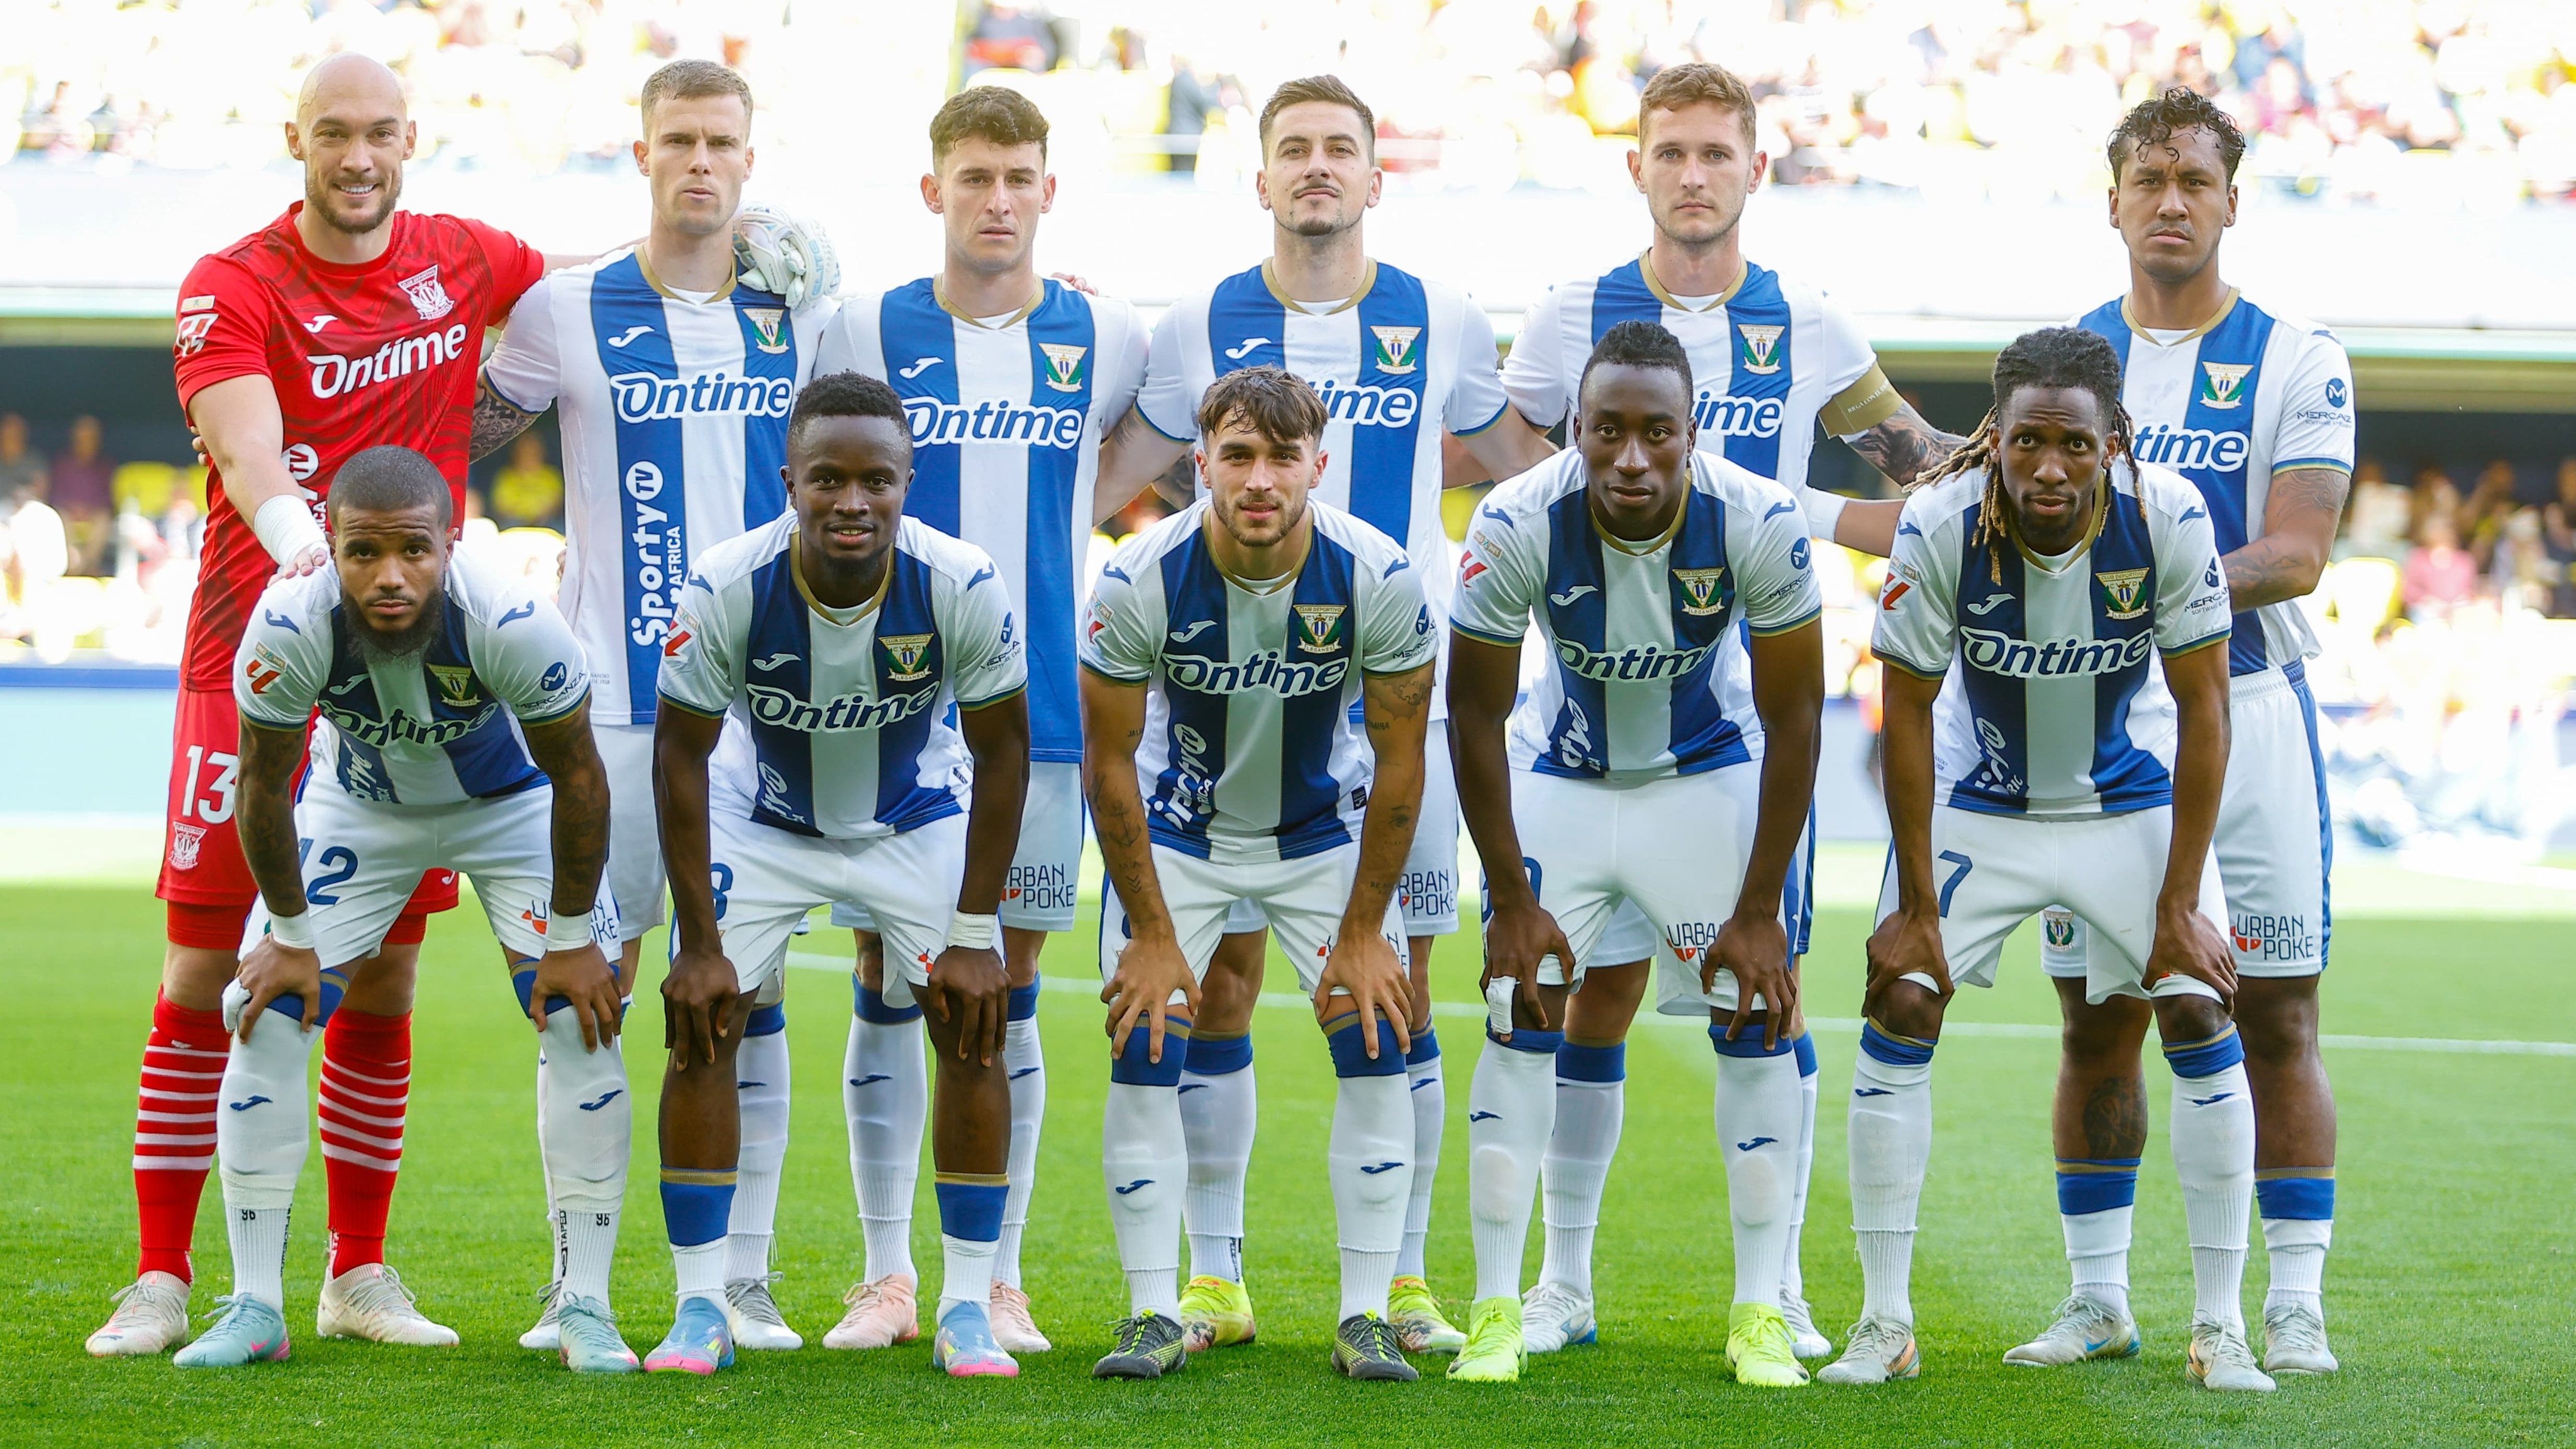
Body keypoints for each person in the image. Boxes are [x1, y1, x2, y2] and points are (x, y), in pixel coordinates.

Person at [1494, 60, 1963, 1359]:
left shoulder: (1804, 323)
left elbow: (1922, 480)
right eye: (1669, 153)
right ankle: (1559, 1284)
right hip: (1584, 715)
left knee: (1762, 989)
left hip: (1747, 720)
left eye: (1715, 152)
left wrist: (1783, 510)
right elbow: (1492, 456)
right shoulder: (1565, 315)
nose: (1692, 174)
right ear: (1634, 168)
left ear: (1754, 169)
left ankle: (1783, 1290)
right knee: (1581, 993)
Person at [1092, 73, 1555, 1356]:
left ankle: (1398, 1282)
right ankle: (1212, 1281)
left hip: (1383, 692)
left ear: (1371, 176)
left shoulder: (1441, 316)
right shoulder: (1194, 324)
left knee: (1393, 987)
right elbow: (1109, 474)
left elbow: (1523, 462)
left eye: (1336, 150)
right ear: (1257, 179)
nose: (1314, 168)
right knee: (1214, 985)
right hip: (1225, 694)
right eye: (1290, 149)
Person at [91, 53, 543, 1359]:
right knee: (201, 974)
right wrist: (309, 558)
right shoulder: (232, 284)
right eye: (332, 134)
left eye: (380, 135)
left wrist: (727, 238)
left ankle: (357, 1272)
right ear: (296, 141)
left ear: (413, 140)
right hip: (252, 664)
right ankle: (163, 1278)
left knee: (385, 976)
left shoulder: (465, 258)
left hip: (407, 689)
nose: (358, 157)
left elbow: (595, 286)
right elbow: (244, 452)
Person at [1819, 326, 2273, 1394]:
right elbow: (1910, 714)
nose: (2048, 468)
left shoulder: (2169, 514)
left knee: (2199, 1004)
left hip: (2126, 800)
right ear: (1997, 435)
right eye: (2026, 442)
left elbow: (2206, 710)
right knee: (1902, 996)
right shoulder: (1937, 522)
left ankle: (2220, 1324)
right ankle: (1885, 1318)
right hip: (1988, 806)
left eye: (2074, 443)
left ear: (2115, 440)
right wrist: (1915, 901)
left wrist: (2178, 903)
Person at [473, 56, 837, 1357]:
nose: (699, 160)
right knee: (588, 986)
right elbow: (456, 433)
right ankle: (576, 1287)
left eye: (720, 141)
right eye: (677, 138)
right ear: (641, 155)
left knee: (754, 988)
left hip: (763, 711)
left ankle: (740, 1279)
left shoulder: (805, 311)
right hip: (610, 708)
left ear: (750, 156)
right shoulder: (563, 310)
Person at [808, 84, 1147, 1358]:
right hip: (881, 708)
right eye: (974, 179)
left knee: (1004, 984)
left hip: (1040, 710)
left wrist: (1060, 531)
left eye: (1018, 178)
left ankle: (994, 1276)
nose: (996, 200)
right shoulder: (862, 324)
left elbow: (1144, 449)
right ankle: (885, 1274)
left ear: (1048, 191)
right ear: (932, 191)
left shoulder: (1109, 335)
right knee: (884, 982)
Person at [2035, 87, 2356, 1378]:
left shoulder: (2296, 355)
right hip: (2100, 731)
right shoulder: (2062, 364)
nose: (2170, 202)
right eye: (2147, 180)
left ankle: (2292, 1303)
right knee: (2096, 1021)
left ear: (2230, 201)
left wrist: (2137, 589)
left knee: (2274, 1017)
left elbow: (2295, 553)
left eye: (2194, 182)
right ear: (2110, 199)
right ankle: (2097, 1299)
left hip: (2251, 712)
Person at [174, 446, 621, 1369]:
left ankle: (584, 1304)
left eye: (414, 551)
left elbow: (578, 775)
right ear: (329, 548)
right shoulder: (290, 621)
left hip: (512, 807)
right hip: (360, 809)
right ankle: (257, 1306)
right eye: (364, 552)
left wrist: (575, 941)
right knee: (262, 1011)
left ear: (450, 545)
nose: (389, 576)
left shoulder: (509, 616)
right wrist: (291, 937)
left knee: (583, 1017)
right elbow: (263, 786)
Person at [1444, 321, 1824, 1385]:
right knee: (1527, 1014)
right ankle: (1515, 1299)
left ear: (1692, 432)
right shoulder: (1516, 516)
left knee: (1754, 1020)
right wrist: (1511, 895)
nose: (1631, 457)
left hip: (1704, 782)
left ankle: (1761, 1302)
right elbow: (1471, 714)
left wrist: (1759, 909)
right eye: (1606, 430)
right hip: (1562, 782)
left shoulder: (1758, 516)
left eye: (1658, 432)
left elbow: (1797, 719)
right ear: (1575, 429)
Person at [649, 372, 1031, 1377]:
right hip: (767, 817)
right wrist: (696, 942)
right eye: (827, 479)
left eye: (876, 481)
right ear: (790, 480)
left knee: (972, 1020)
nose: (851, 502)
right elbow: (679, 757)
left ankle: (962, 1306)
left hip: (912, 818)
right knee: (705, 1018)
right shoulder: (729, 582)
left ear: (909, 481)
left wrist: (977, 930)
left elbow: (1005, 754)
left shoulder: (961, 580)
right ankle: (699, 1308)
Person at [1080, 366, 1438, 1382]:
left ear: (1317, 465)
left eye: (1283, 456)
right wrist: (1152, 934)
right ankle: (1156, 1306)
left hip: (1323, 835)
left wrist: (1367, 931)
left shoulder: (1377, 573)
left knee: (1376, 1033)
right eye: (1237, 454)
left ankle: (1364, 1311)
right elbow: (1109, 762)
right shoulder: (1139, 576)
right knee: (1146, 1039)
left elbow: (1404, 757)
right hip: (1183, 840)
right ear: (1201, 464)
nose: (1259, 478)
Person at [50, 414, 115, 575]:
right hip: (67, 513)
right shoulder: (62, 464)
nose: (86, 443)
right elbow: (55, 494)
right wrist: (73, 508)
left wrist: (88, 510)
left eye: (90, 439)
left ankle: (88, 565)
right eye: (82, 439)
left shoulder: (105, 466)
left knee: (104, 518)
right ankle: (71, 563)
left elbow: (109, 498)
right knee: (60, 516)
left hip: (94, 515)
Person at [487, 433, 562, 530]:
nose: (528, 454)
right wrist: (526, 518)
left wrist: (538, 517)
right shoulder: (505, 477)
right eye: (524, 451)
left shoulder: (552, 476)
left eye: (533, 451)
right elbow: (501, 507)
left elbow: (556, 504)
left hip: (546, 523)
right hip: (514, 524)